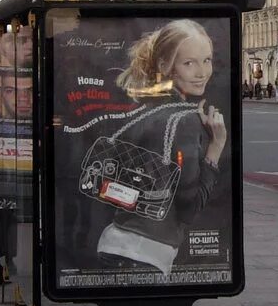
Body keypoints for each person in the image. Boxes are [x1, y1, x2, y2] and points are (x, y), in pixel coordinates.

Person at [89, 19, 228, 275]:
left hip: (114, 243)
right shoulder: (184, 119)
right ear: (165, 66)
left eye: (206, 60)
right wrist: (216, 147)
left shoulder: (142, 108)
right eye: (189, 63)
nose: (202, 72)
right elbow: (189, 208)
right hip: (144, 255)